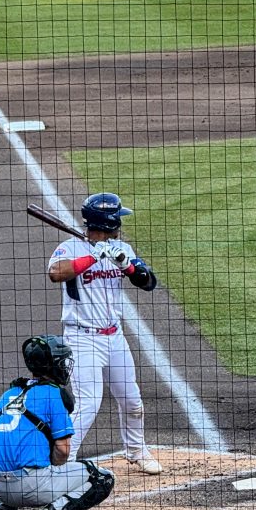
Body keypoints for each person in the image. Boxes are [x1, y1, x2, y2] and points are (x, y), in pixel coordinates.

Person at [47, 193, 163, 475]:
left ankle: (136, 451)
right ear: (108, 222)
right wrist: (92, 257)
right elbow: (55, 273)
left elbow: (148, 282)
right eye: (118, 219)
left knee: (132, 399)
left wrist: (128, 265)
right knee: (88, 403)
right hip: (82, 339)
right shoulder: (70, 248)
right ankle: (64, 462)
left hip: (114, 337)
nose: (121, 225)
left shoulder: (121, 247)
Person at [0, 335, 115, 510]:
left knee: (20, 453)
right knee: (101, 477)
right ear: (54, 365)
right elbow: (63, 451)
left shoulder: (8, 394)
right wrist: (53, 465)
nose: (65, 367)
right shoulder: (53, 394)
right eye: (62, 362)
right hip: (32, 487)